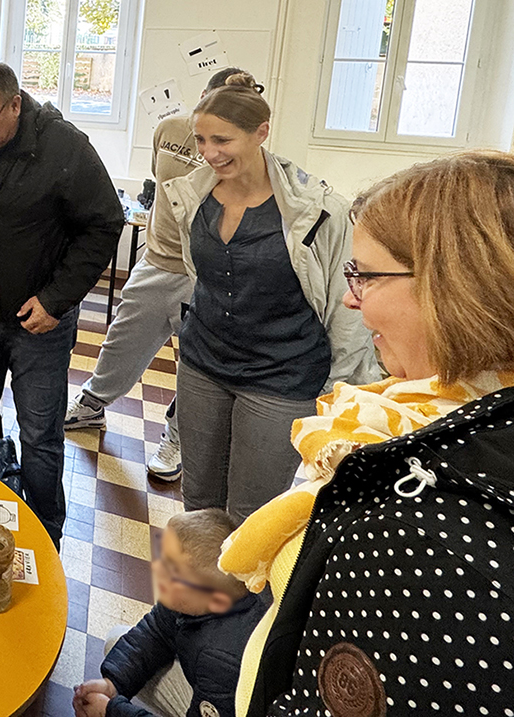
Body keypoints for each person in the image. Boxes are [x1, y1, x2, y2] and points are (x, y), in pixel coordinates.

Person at [215, 151, 514, 716]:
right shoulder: (458, 417)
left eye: (368, 276)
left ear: (456, 288)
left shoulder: (425, 529)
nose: (351, 298)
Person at [0, 59, 124, 544]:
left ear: (15, 104)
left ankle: (44, 538)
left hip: (40, 323)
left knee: (40, 434)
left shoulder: (62, 146)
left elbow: (104, 225)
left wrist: (56, 300)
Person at [164, 86, 378, 523]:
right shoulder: (191, 197)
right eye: (201, 140)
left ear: (261, 132)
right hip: (203, 365)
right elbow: (202, 277)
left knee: (251, 516)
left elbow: (345, 309)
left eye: (222, 140)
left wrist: (340, 387)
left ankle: (243, 596)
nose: (208, 153)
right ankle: (200, 593)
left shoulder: (318, 211)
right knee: (199, 502)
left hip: (281, 377)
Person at [64, 68, 261, 482]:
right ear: (203, 95)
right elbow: (161, 180)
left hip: (205, 274)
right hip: (157, 260)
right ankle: (93, 404)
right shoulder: (168, 129)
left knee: (196, 364)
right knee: (123, 339)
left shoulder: (242, 152)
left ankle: (178, 436)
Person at [75, 509, 266, 717]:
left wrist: (111, 712)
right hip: (209, 682)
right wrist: (113, 684)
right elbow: (156, 630)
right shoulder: (195, 601)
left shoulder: (221, 661)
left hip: (235, 705)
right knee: (116, 640)